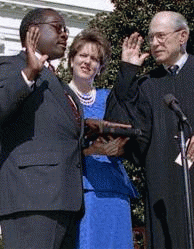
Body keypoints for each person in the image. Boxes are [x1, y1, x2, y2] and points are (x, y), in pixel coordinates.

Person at [105, 11, 194, 248]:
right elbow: (120, 129)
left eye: (161, 36)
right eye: (151, 37)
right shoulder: (146, 84)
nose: (154, 43)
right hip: (163, 188)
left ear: (182, 36)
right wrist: (127, 72)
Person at [0, 8, 84, 249]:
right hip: (33, 198)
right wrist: (28, 73)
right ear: (33, 31)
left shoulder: (57, 80)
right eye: (57, 27)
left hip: (65, 200)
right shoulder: (11, 66)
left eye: (66, 29)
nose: (65, 35)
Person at [67, 29, 138, 249]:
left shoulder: (110, 98)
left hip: (115, 189)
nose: (88, 62)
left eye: (95, 58)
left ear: (100, 67)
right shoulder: (60, 97)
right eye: (83, 55)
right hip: (81, 191)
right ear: (71, 60)